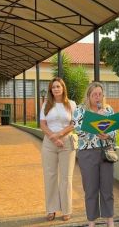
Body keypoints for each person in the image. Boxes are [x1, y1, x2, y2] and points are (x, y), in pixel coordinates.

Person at [72, 82, 117, 227]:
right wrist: (95, 123)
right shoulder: (80, 110)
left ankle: (109, 219)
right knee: (90, 189)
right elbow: (78, 130)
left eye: (100, 94)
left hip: (105, 152)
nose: (97, 97)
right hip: (87, 153)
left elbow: (115, 130)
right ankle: (91, 221)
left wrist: (107, 135)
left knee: (107, 188)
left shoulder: (108, 109)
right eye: (94, 95)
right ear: (88, 96)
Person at [39, 77, 77, 221]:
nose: (56, 89)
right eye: (53, 87)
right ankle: (51, 209)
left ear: (63, 88)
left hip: (67, 143)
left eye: (58, 86)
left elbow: (74, 124)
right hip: (49, 144)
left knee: (66, 178)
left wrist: (60, 135)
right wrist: (54, 138)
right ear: (51, 89)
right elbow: (42, 125)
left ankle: (66, 210)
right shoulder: (46, 105)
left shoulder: (71, 104)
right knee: (50, 176)